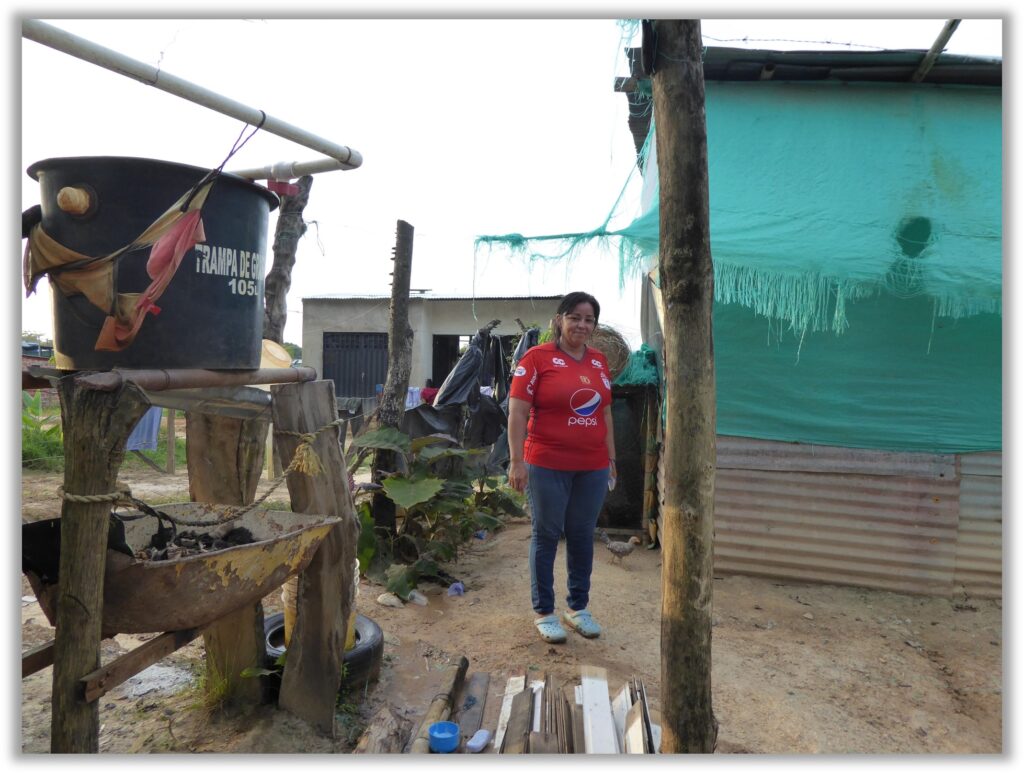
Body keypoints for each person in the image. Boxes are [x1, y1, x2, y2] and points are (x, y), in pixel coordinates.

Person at [507, 291, 616, 643]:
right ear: (559, 320)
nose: (581, 325)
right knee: (547, 534)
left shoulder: (599, 361)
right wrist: (516, 461)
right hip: (547, 463)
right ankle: (544, 612)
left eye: (589, 320)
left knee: (583, 535)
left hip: (593, 465)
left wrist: (611, 459)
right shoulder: (537, 359)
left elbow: (606, 412)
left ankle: (577, 608)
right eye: (575, 317)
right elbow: (517, 411)